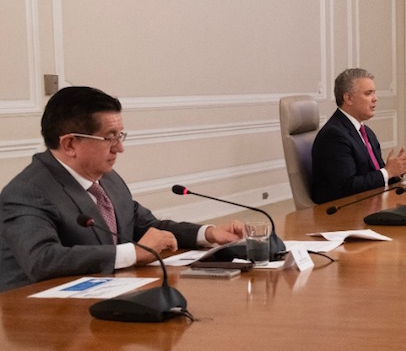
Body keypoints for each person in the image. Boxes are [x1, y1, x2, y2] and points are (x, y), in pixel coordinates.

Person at [0, 86, 245, 293]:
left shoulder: (107, 179)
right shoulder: (27, 192)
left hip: (103, 298)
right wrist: (133, 253)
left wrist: (209, 234)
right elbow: (42, 260)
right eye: (110, 137)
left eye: (120, 136)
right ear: (70, 144)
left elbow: (143, 225)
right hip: (39, 320)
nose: (119, 148)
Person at [311, 68, 406, 204]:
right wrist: (388, 172)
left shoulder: (366, 132)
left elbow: (376, 175)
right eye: (368, 93)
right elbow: (348, 186)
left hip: (369, 203)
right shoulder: (334, 136)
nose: (375, 99)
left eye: (374, 93)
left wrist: (398, 171)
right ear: (348, 98)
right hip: (344, 211)